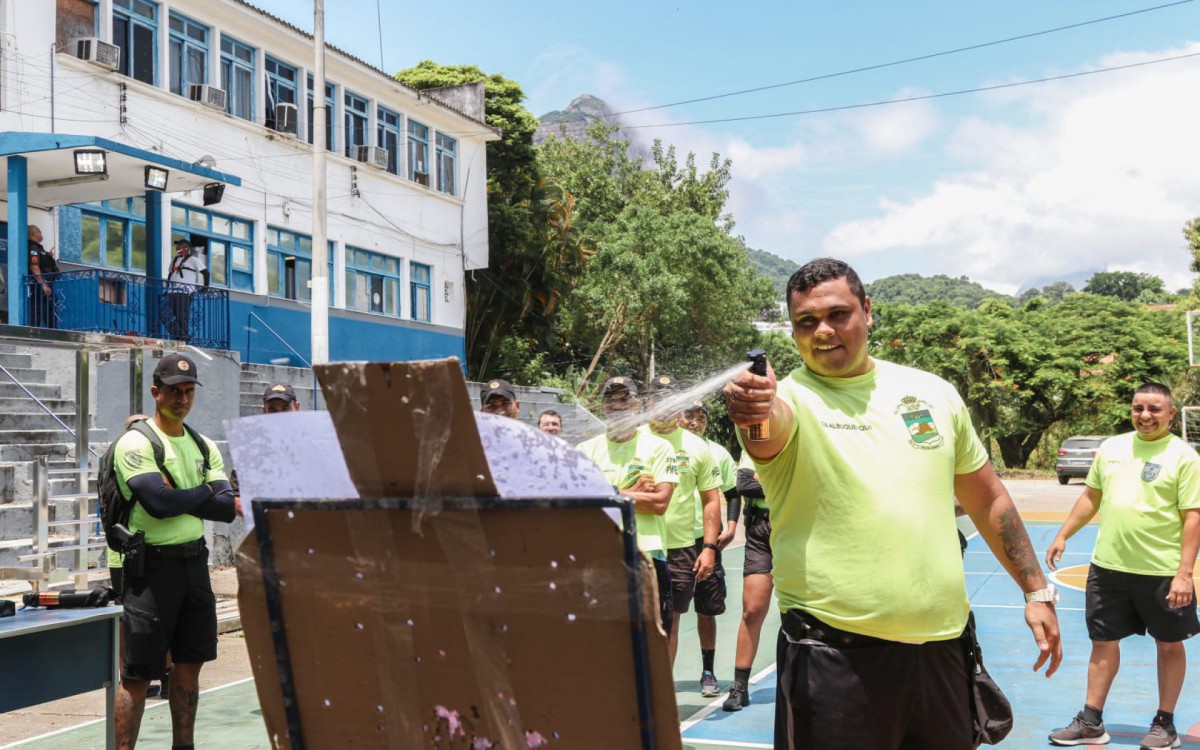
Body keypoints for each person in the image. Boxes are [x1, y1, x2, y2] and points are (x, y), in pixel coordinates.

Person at [723, 257, 1062, 749]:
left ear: (867, 310)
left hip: (944, 653)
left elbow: (988, 497)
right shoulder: (789, 400)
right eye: (806, 322)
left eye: (838, 314)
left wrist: (1036, 592)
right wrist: (754, 407)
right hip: (834, 658)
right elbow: (764, 431)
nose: (823, 331)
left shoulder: (933, 393)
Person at [1047, 382, 1200, 749]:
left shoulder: (1184, 457)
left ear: (1170, 414)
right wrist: (1064, 533)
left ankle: (1165, 725)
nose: (1145, 415)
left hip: (1162, 572)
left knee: (1168, 645)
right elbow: (1091, 496)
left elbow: (1193, 517)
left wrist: (1184, 574)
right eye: (1138, 408)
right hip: (1108, 568)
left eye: (1154, 409)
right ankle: (1091, 721)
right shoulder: (1112, 448)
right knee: (1102, 642)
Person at [112, 353, 237, 750]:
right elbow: (157, 504)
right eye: (173, 391)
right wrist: (205, 492)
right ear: (155, 392)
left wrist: (182, 492)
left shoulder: (203, 444)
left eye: (187, 391)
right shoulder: (135, 442)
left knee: (189, 667)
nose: (181, 398)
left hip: (193, 565)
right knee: (138, 675)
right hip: (149, 570)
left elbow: (225, 510)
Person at [576, 377, 678, 630]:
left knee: (652, 641)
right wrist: (626, 493)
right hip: (599, 557)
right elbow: (581, 507)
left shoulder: (659, 447)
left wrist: (604, 494)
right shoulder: (584, 450)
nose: (618, 406)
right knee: (603, 640)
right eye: (611, 400)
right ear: (602, 406)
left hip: (647, 555)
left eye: (625, 399)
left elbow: (659, 503)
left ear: (637, 404)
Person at [642, 376, 721, 668]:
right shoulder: (631, 437)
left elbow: (712, 499)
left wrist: (709, 547)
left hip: (679, 548)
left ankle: (664, 694)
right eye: (657, 398)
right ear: (646, 402)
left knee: (670, 622)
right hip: (638, 546)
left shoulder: (697, 447)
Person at [680, 399, 740, 698]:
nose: (694, 421)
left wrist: (730, 526)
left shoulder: (717, 452)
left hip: (706, 543)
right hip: (672, 541)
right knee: (668, 614)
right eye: (688, 415)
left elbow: (732, 492)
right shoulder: (667, 447)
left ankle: (708, 672)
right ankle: (660, 674)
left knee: (707, 611)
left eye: (700, 416)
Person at [722, 451, 772, 712]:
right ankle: (739, 686)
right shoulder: (758, 437)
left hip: (797, 528)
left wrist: (764, 479)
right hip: (759, 531)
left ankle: (798, 679)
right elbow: (745, 485)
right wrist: (780, 480)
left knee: (799, 611)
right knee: (752, 610)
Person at [165, 239, 207, 342]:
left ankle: (182, 338)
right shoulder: (174, 260)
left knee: (181, 317)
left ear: (187, 248)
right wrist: (167, 288)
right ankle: (181, 335)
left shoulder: (193, 260)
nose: (178, 248)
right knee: (165, 315)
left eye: (181, 246)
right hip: (171, 292)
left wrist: (205, 287)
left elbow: (206, 273)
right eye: (177, 246)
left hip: (185, 292)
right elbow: (170, 275)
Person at [27, 224, 59, 328]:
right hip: (40, 287)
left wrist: (48, 256)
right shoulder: (33, 248)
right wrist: (43, 285)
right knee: (38, 309)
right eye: (39, 231)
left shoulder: (39, 248)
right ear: (33, 234)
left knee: (49, 311)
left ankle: (53, 332)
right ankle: (34, 332)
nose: (41, 233)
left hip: (46, 286)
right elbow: (34, 267)